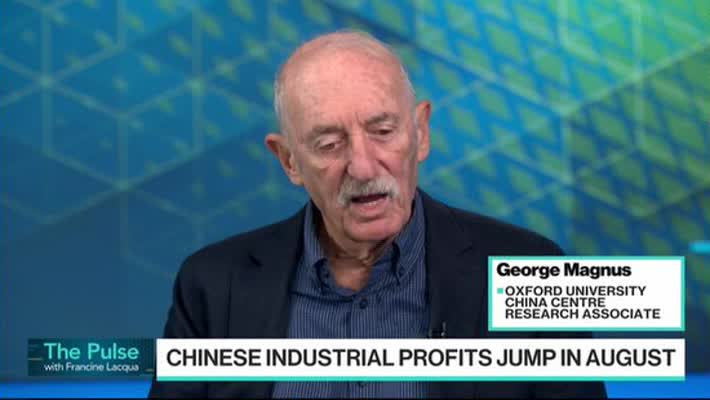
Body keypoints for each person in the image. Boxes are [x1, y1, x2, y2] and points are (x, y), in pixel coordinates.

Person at [149, 30, 607, 399]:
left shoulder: (532, 272)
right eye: (330, 144)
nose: (364, 167)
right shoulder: (212, 285)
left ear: (421, 132)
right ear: (289, 161)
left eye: (383, 131)